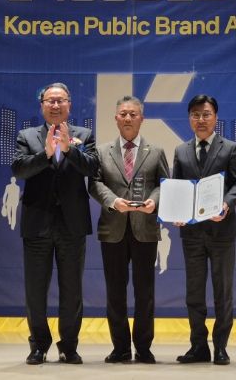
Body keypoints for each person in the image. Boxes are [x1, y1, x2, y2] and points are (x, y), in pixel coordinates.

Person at [11, 82, 99, 366]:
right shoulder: (27, 136)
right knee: (35, 291)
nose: (56, 105)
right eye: (50, 100)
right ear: (42, 106)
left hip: (72, 225)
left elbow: (92, 168)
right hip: (37, 224)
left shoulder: (84, 135)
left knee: (72, 290)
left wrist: (69, 150)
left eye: (61, 100)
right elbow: (19, 169)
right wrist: (46, 153)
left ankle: (69, 346)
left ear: (69, 105)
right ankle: (38, 345)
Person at [89, 95, 169, 365]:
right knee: (115, 292)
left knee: (145, 292)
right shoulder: (101, 152)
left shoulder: (155, 151)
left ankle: (144, 348)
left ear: (141, 119)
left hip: (145, 229)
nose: (127, 118)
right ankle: (121, 348)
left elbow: (163, 184)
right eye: (123, 114)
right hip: (112, 229)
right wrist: (113, 202)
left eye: (133, 114)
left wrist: (154, 201)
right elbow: (94, 184)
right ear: (115, 118)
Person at [172, 94, 236, 366]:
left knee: (222, 292)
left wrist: (226, 204)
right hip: (191, 234)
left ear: (215, 117)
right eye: (195, 115)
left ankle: (221, 347)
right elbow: (178, 187)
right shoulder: (181, 151)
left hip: (221, 231)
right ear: (189, 119)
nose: (200, 120)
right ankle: (198, 346)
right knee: (193, 293)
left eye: (206, 114)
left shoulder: (230, 148)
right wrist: (177, 212)